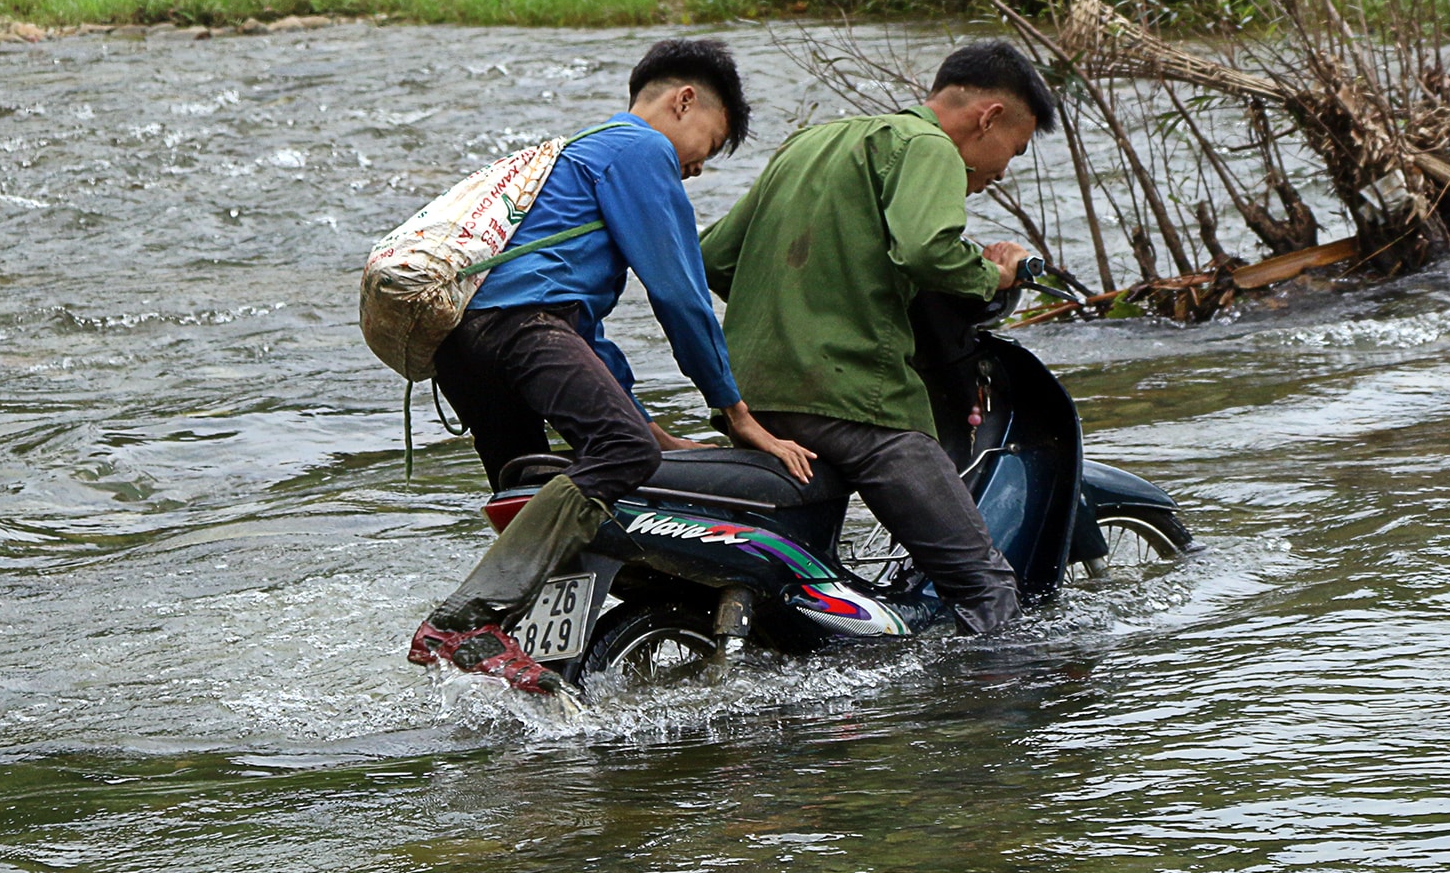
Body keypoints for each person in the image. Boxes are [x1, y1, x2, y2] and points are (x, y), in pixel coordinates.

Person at [409, 38, 816, 693]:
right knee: (622, 453)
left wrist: (660, 434)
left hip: (465, 345)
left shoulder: (580, 156)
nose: (694, 171)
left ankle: (519, 656)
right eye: (704, 150)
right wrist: (736, 415)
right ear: (683, 101)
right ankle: (462, 619)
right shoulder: (639, 148)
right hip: (522, 328)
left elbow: (586, 344)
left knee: (539, 480)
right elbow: (680, 294)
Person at [699, 40, 1053, 635]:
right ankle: (989, 721)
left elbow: (711, 256)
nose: (999, 173)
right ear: (988, 116)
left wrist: (797, 307)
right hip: (855, 406)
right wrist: (992, 272)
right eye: (1012, 151)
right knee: (984, 583)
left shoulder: (809, 143)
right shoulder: (929, 147)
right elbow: (925, 248)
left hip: (754, 403)